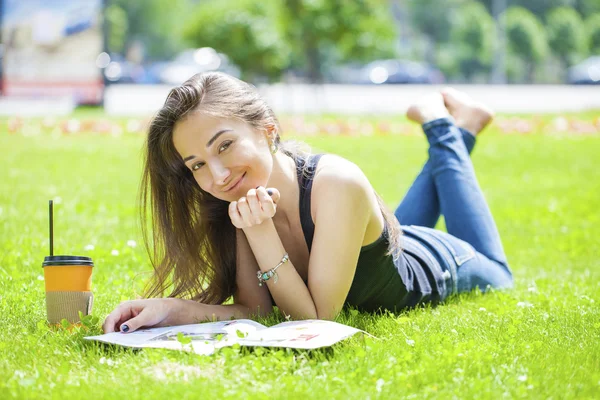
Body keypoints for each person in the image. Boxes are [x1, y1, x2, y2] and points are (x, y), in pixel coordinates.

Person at [102, 72, 514, 334]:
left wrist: (260, 231)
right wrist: (171, 309)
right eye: (197, 165)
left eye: (225, 145)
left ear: (268, 130)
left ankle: (446, 125)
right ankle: (461, 126)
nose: (218, 175)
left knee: (500, 274)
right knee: (392, 231)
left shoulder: (337, 182)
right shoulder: (237, 199)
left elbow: (315, 322)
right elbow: (258, 312)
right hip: (381, 242)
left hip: (439, 264)